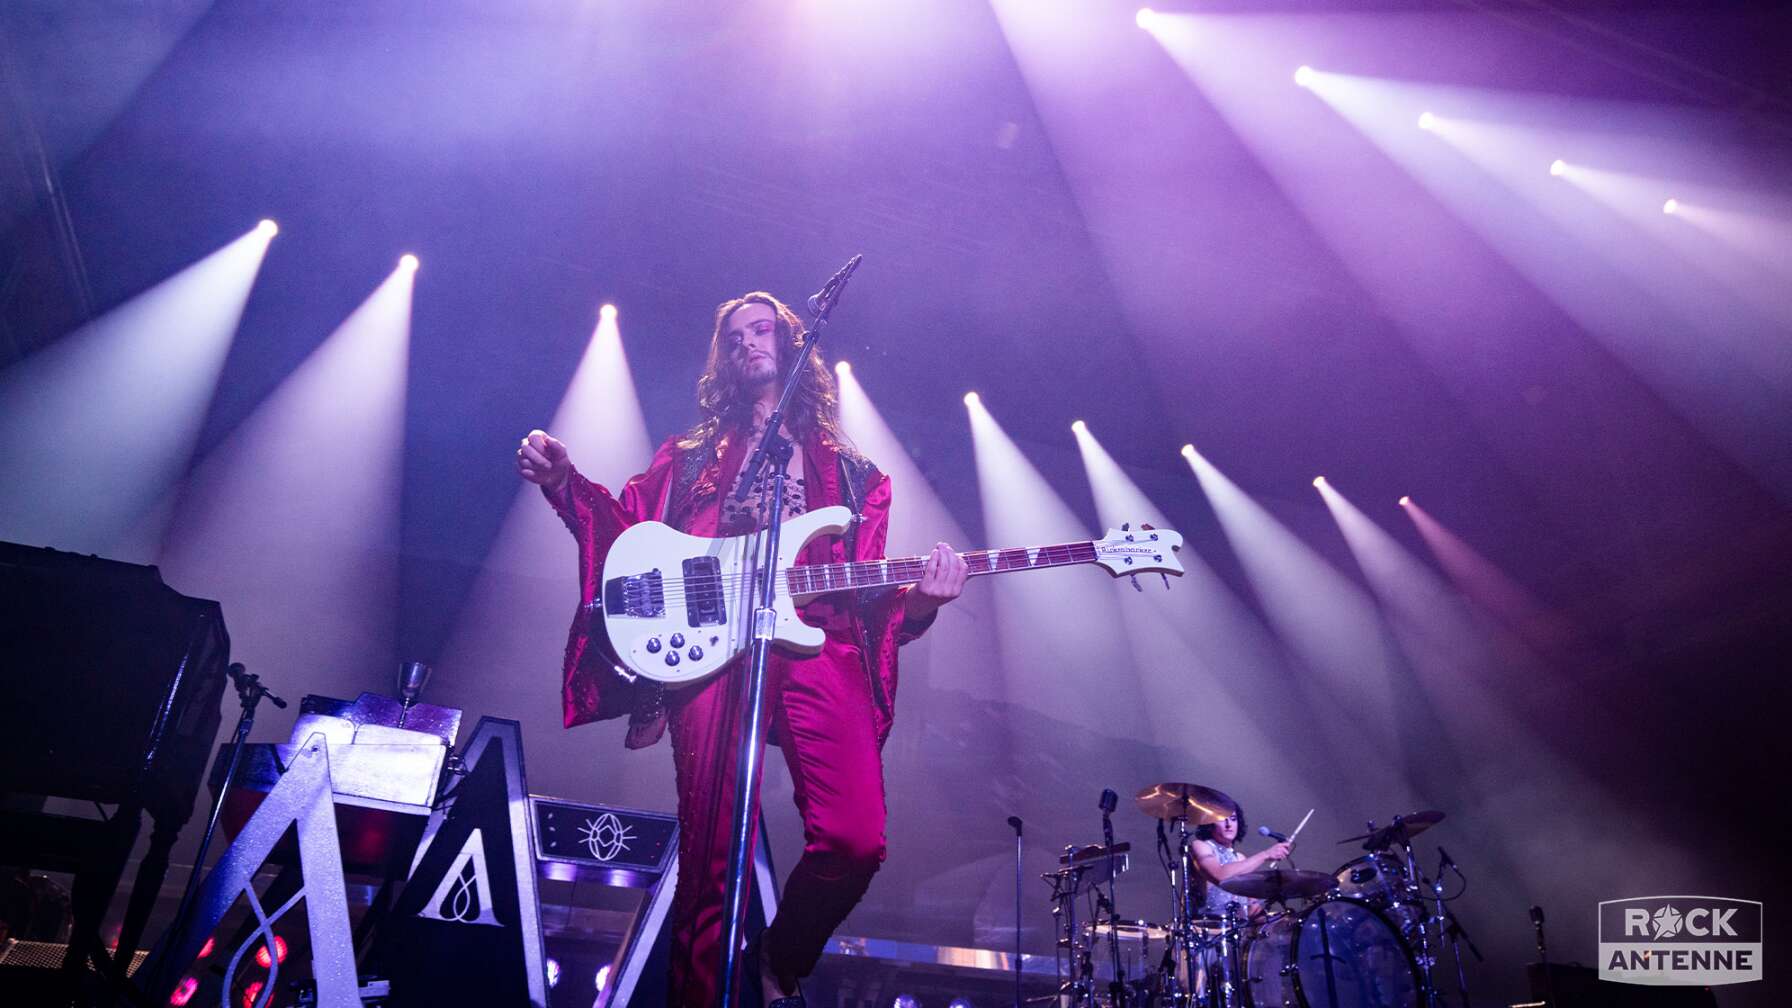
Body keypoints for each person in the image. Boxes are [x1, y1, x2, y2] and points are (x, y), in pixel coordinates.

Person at [516, 291, 967, 1007]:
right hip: (715, 652)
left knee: (854, 840)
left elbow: (871, 601)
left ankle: (781, 958)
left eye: (763, 330)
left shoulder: (857, 480)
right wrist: (564, 482)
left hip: (820, 649)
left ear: (793, 345)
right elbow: (626, 535)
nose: (749, 343)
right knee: (710, 860)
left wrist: (924, 602)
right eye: (735, 337)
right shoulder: (691, 459)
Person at [1191, 803, 1292, 920]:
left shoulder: (1240, 858)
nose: (1229, 824)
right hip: (1208, 928)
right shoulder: (1201, 846)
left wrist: (1275, 920)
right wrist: (1266, 854)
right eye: (1222, 820)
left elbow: (1252, 908)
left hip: (1239, 931)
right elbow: (1220, 875)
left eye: (1233, 819)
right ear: (1210, 823)